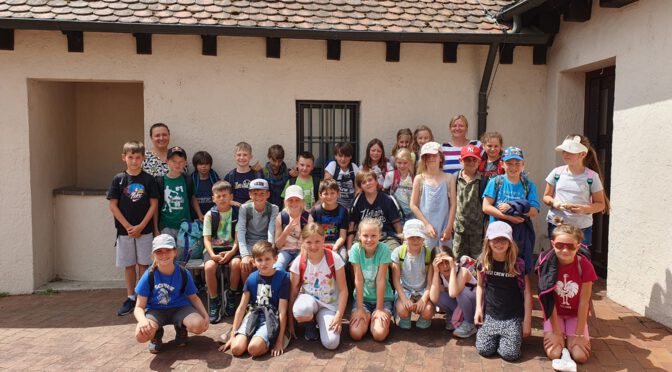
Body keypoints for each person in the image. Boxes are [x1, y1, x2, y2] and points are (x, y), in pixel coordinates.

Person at [108, 141, 160, 316]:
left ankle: (143, 298)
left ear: (143, 158)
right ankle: (131, 297)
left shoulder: (148, 180)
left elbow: (153, 205)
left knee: (144, 265)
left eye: (138, 157)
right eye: (130, 157)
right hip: (125, 232)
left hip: (144, 232)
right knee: (129, 266)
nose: (134, 161)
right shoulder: (119, 179)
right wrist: (128, 226)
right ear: (124, 158)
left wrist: (141, 226)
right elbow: (113, 205)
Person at [134, 234, 209, 354]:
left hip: (180, 308)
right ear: (153, 254)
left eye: (168, 250)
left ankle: (181, 329)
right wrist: (143, 320)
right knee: (140, 335)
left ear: (175, 251)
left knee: (199, 325)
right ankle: (156, 335)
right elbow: (139, 306)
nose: (164, 255)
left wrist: (205, 316)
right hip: (156, 311)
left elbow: (194, 298)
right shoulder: (149, 275)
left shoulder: (183, 273)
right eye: (159, 251)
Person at [537, 224, 597, 368]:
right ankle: (561, 337)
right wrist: (556, 331)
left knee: (580, 356)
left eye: (570, 246)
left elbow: (584, 302)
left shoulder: (585, 266)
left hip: (575, 314)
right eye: (560, 245)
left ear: (578, 246)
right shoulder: (546, 264)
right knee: (554, 354)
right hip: (555, 313)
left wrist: (579, 334)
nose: (565, 250)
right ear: (553, 244)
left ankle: (569, 339)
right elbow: (548, 299)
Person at [219, 241, 290, 358]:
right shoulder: (252, 278)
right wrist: (232, 335)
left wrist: (279, 341)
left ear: (275, 259)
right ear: (254, 262)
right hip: (253, 315)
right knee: (236, 349)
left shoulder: (283, 278)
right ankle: (249, 337)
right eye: (259, 260)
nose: (264, 263)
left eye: (267, 259)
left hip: (270, 317)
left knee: (254, 349)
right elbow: (241, 308)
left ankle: (265, 340)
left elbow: (282, 311)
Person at [474, 222, 532, 361]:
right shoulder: (483, 262)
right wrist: (478, 309)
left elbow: (527, 292)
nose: (499, 243)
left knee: (510, 354)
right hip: (492, 314)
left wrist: (527, 321)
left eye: (503, 239)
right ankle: (500, 338)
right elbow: (480, 286)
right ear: (488, 241)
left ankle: (507, 338)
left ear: (510, 242)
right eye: (495, 239)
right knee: (484, 349)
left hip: (512, 316)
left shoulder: (518, 264)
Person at [542, 135, 609, 251]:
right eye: (564, 151)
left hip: (581, 228)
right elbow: (546, 197)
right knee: (556, 259)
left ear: (582, 154)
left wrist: (583, 209)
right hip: (557, 225)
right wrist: (555, 203)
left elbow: (600, 204)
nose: (565, 154)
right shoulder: (556, 173)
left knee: (580, 261)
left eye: (570, 151)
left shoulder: (592, 177)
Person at [288, 223, 348, 349]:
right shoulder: (299, 262)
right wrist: (290, 322)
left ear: (324, 239)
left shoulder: (334, 258)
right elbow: (293, 292)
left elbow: (343, 290)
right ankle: (310, 323)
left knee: (331, 343)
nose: (313, 246)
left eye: (317, 241)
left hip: (329, 305)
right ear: (302, 242)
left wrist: (338, 316)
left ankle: (320, 322)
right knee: (301, 311)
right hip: (309, 301)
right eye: (309, 242)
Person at [482, 146, 540, 274]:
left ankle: (518, 292)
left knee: (518, 266)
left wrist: (514, 207)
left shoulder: (528, 185)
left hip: (519, 234)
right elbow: (486, 207)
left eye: (517, 163)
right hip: (498, 233)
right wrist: (508, 217)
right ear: (502, 164)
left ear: (523, 165)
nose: (513, 167)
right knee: (495, 266)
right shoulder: (496, 182)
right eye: (509, 163)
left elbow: (534, 211)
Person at [348, 218, 394, 342]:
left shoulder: (384, 249)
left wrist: (379, 309)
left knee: (379, 334)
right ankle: (367, 318)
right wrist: (359, 309)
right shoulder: (355, 250)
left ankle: (376, 319)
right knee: (355, 334)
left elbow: (380, 280)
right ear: (359, 235)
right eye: (365, 235)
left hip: (383, 299)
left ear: (380, 235)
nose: (369, 239)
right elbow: (358, 280)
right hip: (363, 300)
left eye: (373, 235)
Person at [202, 181, 241, 322]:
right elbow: (206, 239)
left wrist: (232, 252)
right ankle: (214, 300)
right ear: (213, 198)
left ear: (231, 196)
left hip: (232, 248)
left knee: (237, 264)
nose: (222, 199)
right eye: (218, 196)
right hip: (214, 249)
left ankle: (231, 294)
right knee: (209, 267)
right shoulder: (210, 215)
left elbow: (238, 239)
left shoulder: (237, 213)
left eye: (225, 195)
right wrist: (212, 254)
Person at [410, 142, 456, 250]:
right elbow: (413, 205)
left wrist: (449, 227)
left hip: (444, 228)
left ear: (441, 158)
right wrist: (426, 225)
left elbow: (453, 204)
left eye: (434, 155)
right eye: (427, 156)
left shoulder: (449, 178)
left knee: (444, 259)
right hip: (426, 229)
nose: (431, 158)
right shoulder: (419, 178)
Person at [391, 219, 434, 330]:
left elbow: (430, 282)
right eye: (411, 237)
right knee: (402, 310)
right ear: (405, 237)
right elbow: (396, 280)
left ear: (423, 238)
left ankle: (424, 320)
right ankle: (404, 318)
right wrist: (404, 299)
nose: (415, 241)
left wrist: (423, 299)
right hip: (405, 289)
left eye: (418, 237)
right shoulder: (398, 252)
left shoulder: (428, 253)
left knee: (428, 311)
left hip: (422, 290)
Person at [429, 247, 478, 338]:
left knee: (461, 292)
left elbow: (452, 293)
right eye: (440, 263)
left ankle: (469, 323)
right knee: (438, 294)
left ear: (453, 260)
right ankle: (453, 316)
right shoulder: (439, 275)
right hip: (460, 306)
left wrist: (452, 268)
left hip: (474, 306)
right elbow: (434, 298)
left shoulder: (462, 271)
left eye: (447, 261)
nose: (445, 266)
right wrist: (435, 271)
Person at [153, 146, 199, 243]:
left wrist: (199, 214)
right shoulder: (159, 181)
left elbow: (192, 198)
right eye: (174, 161)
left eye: (181, 161)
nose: (177, 164)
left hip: (185, 226)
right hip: (165, 225)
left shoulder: (188, 180)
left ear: (185, 163)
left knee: (183, 254)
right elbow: (155, 206)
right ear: (167, 161)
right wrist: (156, 228)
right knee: (167, 253)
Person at [349, 169, 404, 250]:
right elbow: (351, 226)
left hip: (386, 237)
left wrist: (402, 244)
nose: (368, 183)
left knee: (393, 255)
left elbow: (397, 224)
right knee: (355, 253)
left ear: (376, 181)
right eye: (363, 182)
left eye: (370, 180)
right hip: (365, 238)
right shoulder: (358, 201)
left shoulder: (388, 199)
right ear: (360, 187)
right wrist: (349, 248)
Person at [237, 179, 279, 283]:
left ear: (268, 194)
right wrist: (245, 255)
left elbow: (271, 230)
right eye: (255, 193)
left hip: (265, 242)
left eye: (262, 193)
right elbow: (241, 231)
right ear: (250, 194)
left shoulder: (273, 209)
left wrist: (268, 251)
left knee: (267, 263)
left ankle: (265, 292)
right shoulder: (244, 208)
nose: (259, 197)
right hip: (249, 242)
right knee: (245, 265)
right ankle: (247, 292)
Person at [453, 144, 487, 259]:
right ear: (461, 160)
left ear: (479, 162)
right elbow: (451, 203)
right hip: (459, 230)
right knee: (457, 260)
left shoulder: (484, 181)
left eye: (474, 159)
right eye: (467, 159)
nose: (471, 162)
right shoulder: (455, 178)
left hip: (477, 232)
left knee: (477, 261)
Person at [274, 185, 313, 271]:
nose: (294, 203)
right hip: (285, 251)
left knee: (301, 267)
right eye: (290, 200)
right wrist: (286, 232)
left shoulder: (308, 218)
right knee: (277, 268)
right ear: (285, 202)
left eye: (297, 200)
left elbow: (308, 243)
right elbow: (278, 245)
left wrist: (298, 259)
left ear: (302, 202)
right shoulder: (281, 217)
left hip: (302, 250)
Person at [310, 179, 349, 262]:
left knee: (342, 259)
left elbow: (342, 236)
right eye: (325, 194)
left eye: (332, 193)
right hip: (319, 243)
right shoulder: (315, 211)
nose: (329, 197)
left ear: (338, 194)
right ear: (320, 195)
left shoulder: (343, 211)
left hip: (337, 243)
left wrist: (335, 248)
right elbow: (311, 233)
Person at [224, 141, 263, 207]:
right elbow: (224, 197)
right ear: (235, 157)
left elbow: (262, 195)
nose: (241, 157)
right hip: (235, 212)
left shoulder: (257, 175)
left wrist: (251, 202)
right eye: (239, 155)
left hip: (253, 211)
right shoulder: (230, 176)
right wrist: (233, 203)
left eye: (245, 155)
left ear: (250, 157)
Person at [323, 142, 360, 210]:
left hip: (351, 206)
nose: (343, 159)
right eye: (340, 155)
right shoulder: (332, 166)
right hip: (333, 205)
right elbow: (325, 187)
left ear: (351, 156)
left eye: (346, 156)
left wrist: (353, 207)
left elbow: (358, 189)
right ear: (335, 156)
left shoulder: (354, 167)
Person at [383, 148, 415, 224]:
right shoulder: (391, 176)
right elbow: (384, 193)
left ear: (410, 162)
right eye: (399, 163)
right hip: (395, 215)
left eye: (405, 163)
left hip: (412, 215)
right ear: (395, 162)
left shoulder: (414, 179)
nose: (402, 165)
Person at [191, 150, 220, 221]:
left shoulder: (214, 178)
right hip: (196, 217)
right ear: (195, 165)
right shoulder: (192, 180)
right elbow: (192, 198)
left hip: (214, 216)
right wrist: (200, 214)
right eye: (200, 164)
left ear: (210, 165)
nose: (204, 166)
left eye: (206, 164)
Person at [262, 144, 292, 209]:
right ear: (269, 157)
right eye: (274, 160)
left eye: (280, 161)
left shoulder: (289, 173)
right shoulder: (262, 173)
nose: (277, 164)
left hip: (284, 209)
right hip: (267, 210)